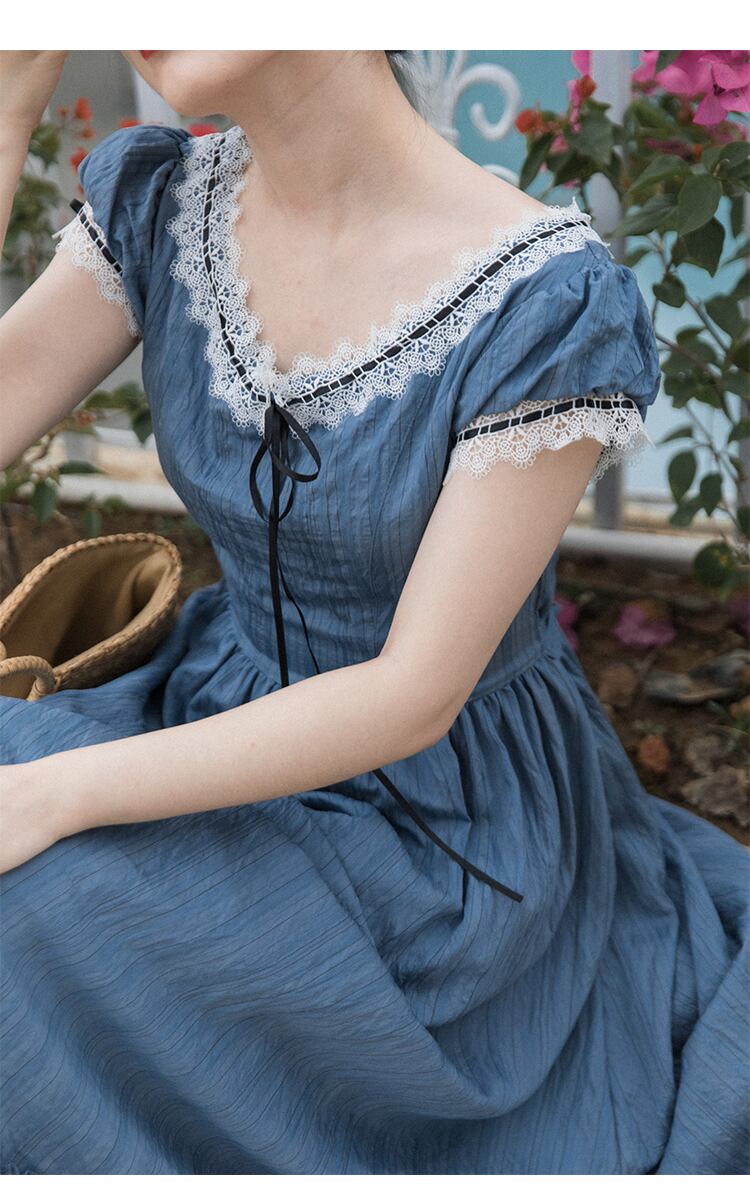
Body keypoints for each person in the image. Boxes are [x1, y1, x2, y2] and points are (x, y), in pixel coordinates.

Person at [0, 50, 747, 1176]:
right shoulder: (161, 200)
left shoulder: (544, 301)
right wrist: (7, 106)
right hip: (214, 708)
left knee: (34, 908)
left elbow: (412, 696)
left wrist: (50, 792)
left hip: (447, 825)